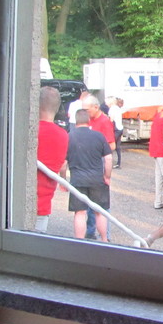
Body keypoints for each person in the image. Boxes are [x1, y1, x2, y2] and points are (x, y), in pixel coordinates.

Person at [66, 109, 112, 242]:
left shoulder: (69, 137)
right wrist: (107, 176)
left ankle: (79, 242)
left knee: (80, 212)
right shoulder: (99, 136)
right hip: (97, 179)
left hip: (77, 180)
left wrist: (62, 180)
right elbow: (108, 158)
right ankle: (104, 240)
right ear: (88, 120)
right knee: (100, 211)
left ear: (76, 121)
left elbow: (63, 163)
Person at [36, 86, 69, 232]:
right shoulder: (63, 136)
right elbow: (62, 165)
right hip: (44, 206)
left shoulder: (30, 131)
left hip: (15, 202)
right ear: (57, 108)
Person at [107, 95, 124, 168]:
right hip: (120, 129)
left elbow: (111, 120)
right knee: (117, 147)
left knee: (110, 146)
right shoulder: (117, 108)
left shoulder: (112, 109)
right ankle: (118, 163)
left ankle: (108, 163)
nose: (106, 103)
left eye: (106, 102)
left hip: (115, 129)